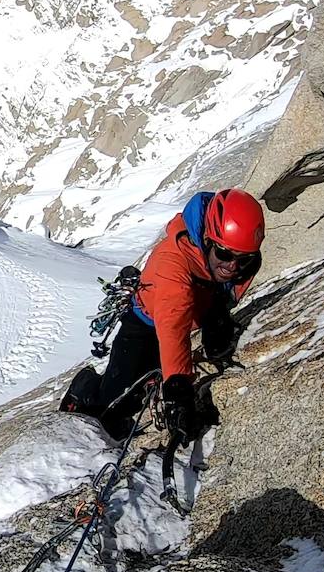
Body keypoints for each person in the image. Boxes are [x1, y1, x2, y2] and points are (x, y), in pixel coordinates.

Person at [61, 188, 265, 440]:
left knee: (149, 382)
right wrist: (178, 391)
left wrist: (217, 312)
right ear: (207, 239)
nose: (233, 266)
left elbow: (228, 285)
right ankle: (84, 388)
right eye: (224, 254)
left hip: (192, 315)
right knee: (114, 405)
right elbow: (172, 323)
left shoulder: (239, 259)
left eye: (243, 259)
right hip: (143, 322)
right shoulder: (172, 263)